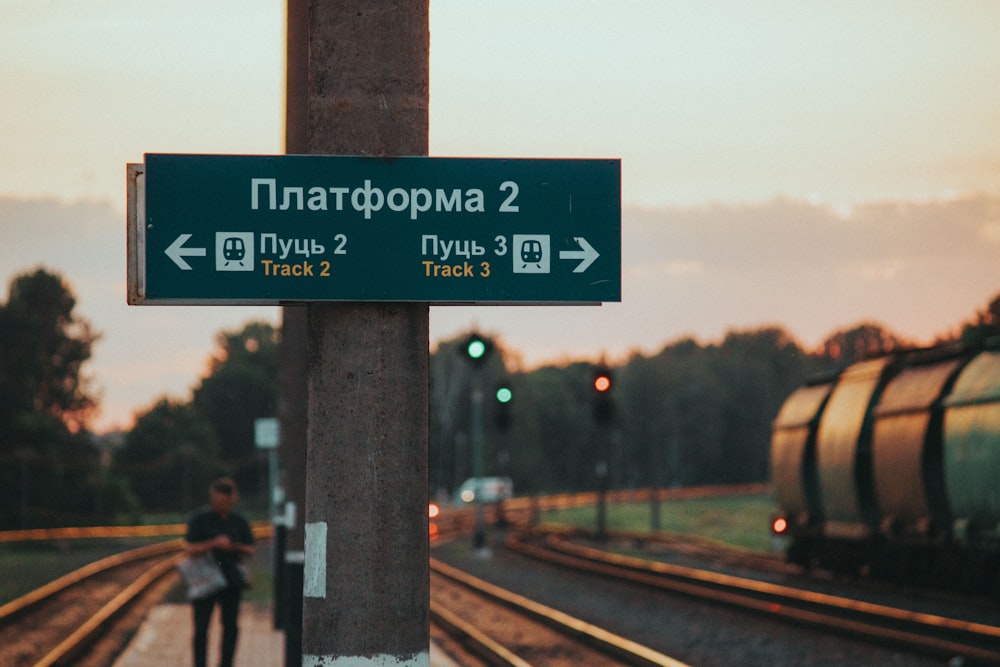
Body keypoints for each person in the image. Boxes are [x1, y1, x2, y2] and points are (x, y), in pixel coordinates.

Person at [184, 477, 255, 667]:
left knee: (230, 627)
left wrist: (234, 546)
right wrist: (214, 544)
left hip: (231, 580)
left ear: (233, 499)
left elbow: (251, 549)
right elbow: (189, 548)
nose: (222, 505)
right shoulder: (199, 519)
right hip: (204, 579)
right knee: (200, 629)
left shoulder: (238, 520)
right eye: (218, 501)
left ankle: (226, 663)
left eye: (225, 502)